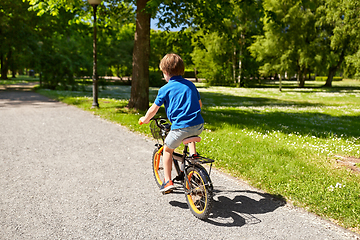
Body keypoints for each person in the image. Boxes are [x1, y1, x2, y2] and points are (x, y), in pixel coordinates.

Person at [139, 53, 204, 193]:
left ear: (166, 73)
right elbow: (199, 105)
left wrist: (145, 119)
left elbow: (153, 109)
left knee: (167, 150)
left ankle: (167, 181)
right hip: (198, 126)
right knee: (189, 134)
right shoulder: (191, 85)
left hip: (180, 128)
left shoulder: (165, 89)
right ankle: (193, 156)